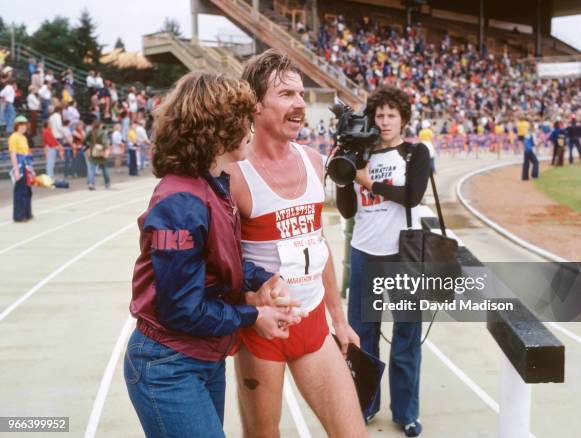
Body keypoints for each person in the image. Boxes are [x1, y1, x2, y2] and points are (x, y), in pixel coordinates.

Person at [124, 71, 300, 437]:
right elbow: (182, 310)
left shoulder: (212, 184)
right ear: (217, 128)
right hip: (168, 364)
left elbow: (216, 261)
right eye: (242, 119)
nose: (250, 128)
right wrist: (254, 315)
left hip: (202, 356)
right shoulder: (181, 202)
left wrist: (261, 279)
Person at [226, 48, 366, 438]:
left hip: (313, 324)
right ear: (254, 105)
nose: (300, 105)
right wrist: (252, 303)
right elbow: (220, 263)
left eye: (302, 95)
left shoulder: (314, 161)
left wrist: (339, 320)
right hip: (262, 333)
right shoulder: (235, 174)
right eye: (287, 95)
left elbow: (317, 243)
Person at [335, 85, 430, 437]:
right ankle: (366, 405)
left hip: (403, 256)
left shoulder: (415, 154)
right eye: (380, 115)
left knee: (406, 336)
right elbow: (346, 209)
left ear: (404, 118)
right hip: (364, 253)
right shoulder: (360, 156)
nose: (386, 121)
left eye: (392, 114)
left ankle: (406, 412)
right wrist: (345, 176)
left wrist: (366, 182)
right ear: (371, 119)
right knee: (364, 337)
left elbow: (413, 196)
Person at [9, 115, 34, 222]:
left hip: (26, 165)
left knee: (28, 191)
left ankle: (27, 213)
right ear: (16, 126)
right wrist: (17, 170)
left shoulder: (24, 137)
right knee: (20, 191)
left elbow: (27, 154)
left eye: (25, 125)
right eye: (21, 125)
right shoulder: (13, 137)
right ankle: (19, 215)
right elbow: (13, 154)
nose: (23, 127)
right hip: (19, 165)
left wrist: (31, 169)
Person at [84, 120, 111, 190]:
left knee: (91, 169)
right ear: (100, 125)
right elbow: (105, 143)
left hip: (93, 152)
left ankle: (91, 183)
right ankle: (107, 183)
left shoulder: (91, 132)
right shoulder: (103, 132)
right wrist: (106, 149)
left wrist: (90, 145)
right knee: (105, 168)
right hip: (101, 152)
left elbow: (84, 141)